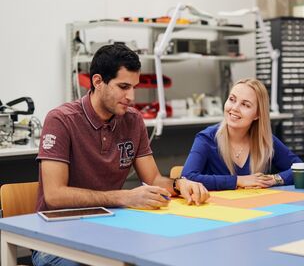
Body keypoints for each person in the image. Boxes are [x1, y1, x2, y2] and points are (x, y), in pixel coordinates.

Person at [33, 43, 209, 266]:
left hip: (111, 229)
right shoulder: (61, 120)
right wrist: (124, 197)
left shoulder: (133, 120)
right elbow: (55, 195)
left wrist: (178, 185)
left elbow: (153, 179)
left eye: (134, 87)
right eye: (123, 86)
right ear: (97, 81)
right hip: (57, 237)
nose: (131, 96)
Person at [182, 78, 304, 190]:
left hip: (255, 209)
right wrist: (239, 180)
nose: (234, 108)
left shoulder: (265, 141)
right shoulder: (206, 138)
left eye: (245, 104)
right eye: (232, 99)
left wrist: (274, 179)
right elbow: (187, 178)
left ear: (257, 115)